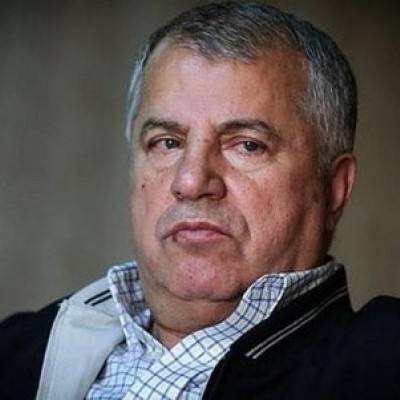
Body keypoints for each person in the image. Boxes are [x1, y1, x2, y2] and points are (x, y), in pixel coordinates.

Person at [1, 2, 399, 399]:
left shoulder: (385, 365)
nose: (191, 182)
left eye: (247, 145)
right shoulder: (12, 354)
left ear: (334, 188)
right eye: (167, 143)